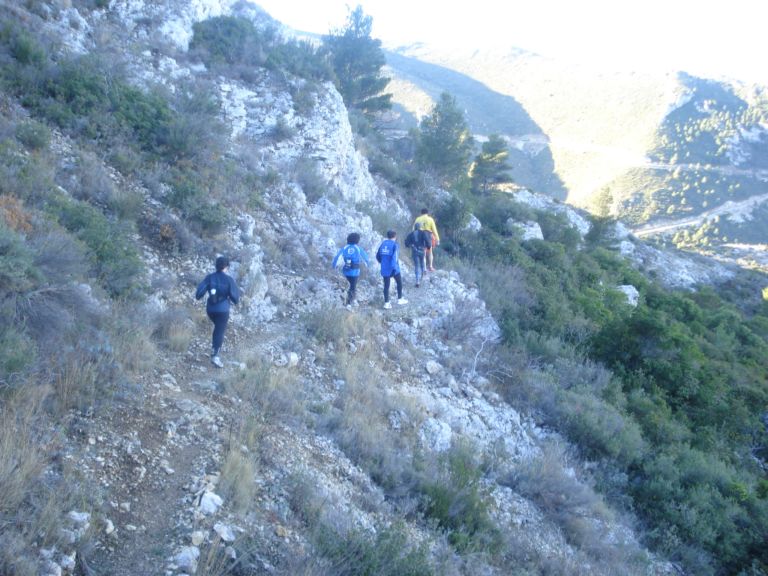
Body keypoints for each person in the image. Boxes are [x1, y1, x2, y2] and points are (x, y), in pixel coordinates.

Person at [195, 256, 240, 368]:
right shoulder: (229, 280)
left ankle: (214, 350)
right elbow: (236, 299)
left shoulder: (209, 277)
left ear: (216, 266)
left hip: (210, 310)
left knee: (217, 329)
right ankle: (215, 356)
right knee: (220, 330)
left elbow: (198, 294)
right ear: (226, 267)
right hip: (223, 310)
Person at [332, 232, 370, 309]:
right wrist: (368, 265)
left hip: (345, 271)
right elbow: (365, 258)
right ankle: (349, 303)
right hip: (355, 272)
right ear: (357, 240)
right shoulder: (358, 249)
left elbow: (337, 258)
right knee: (352, 287)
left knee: (345, 286)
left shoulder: (344, 248)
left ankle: (341, 301)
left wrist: (334, 266)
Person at [376, 230, 408, 309]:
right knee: (399, 283)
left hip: (384, 268)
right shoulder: (395, 245)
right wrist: (394, 268)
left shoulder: (383, 244)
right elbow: (395, 257)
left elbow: (378, 255)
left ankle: (387, 303)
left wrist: (382, 262)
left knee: (386, 286)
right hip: (394, 269)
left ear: (388, 236)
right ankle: (400, 299)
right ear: (395, 236)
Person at [404, 222, 429, 287]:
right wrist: (428, 246)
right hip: (422, 250)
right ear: (420, 227)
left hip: (415, 251)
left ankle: (417, 281)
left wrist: (410, 245)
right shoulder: (423, 233)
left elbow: (406, 242)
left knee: (416, 265)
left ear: (415, 227)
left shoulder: (411, 234)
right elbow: (427, 240)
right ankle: (422, 276)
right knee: (422, 263)